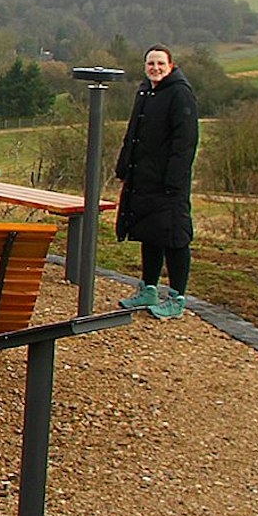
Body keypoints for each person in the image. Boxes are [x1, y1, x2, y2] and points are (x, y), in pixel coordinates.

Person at [114, 45, 199, 319]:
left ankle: (177, 298)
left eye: (160, 63)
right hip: (144, 178)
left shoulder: (180, 93)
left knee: (174, 237)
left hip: (169, 183)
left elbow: (185, 141)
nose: (155, 68)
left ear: (171, 65)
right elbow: (133, 132)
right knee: (149, 233)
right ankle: (148, 289)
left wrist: (174, 179)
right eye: (151, 63)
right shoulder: (145, 92)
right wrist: (124, 166)